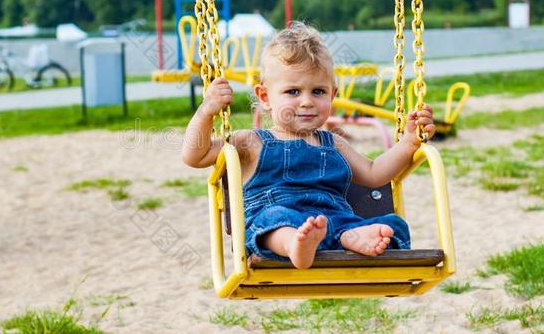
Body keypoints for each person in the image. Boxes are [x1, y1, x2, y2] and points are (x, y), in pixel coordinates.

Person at [182, 22, 435, 269]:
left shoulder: (334, 143)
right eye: (293, 92)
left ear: (332, 95)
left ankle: (347, 238)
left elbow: (373, 173)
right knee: (275, 219)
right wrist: (206, 112)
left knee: (393, 224)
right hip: (279, 228)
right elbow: (195, 155)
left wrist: (409, 142)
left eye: (318, 92)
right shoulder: (250, 142)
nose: (306, 102)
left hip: (334, 222)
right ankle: (295, 245)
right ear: (265, 97)